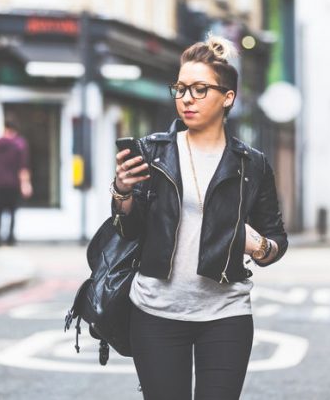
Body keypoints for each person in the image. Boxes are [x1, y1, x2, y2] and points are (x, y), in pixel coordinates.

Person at [110, 35, 288, 400]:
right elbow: (129, 229)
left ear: (228, 98)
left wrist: (259, 246)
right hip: (156, 311)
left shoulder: (251, 164)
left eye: (199, 89)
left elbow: (276, 241)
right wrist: (122, 191)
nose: (187, 98)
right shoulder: (153, 152)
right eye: (180, 88)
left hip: (225, 314)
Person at [0, 117, 33, 246]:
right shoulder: (20, 144)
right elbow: (23, 166)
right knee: (12, 211)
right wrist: (25, 184)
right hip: (14, 183)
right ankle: (10, 238)